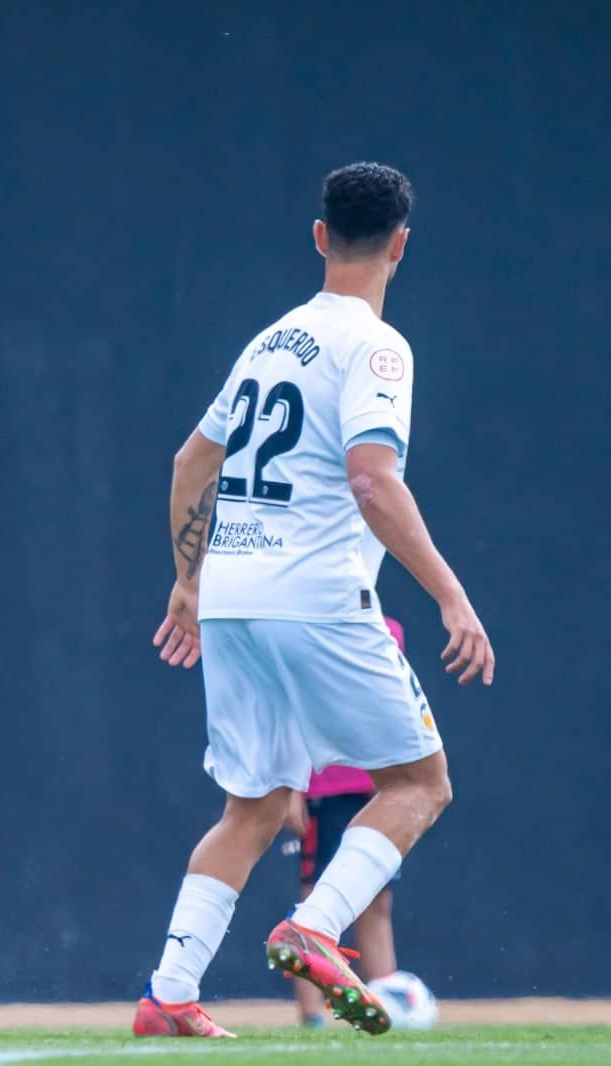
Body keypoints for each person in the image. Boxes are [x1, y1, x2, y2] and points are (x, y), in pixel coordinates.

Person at [135, 162, 495, 1038]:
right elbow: (372, 481)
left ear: (320, 235)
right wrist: (452, 595)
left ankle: (168, 996)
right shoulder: (377, 347)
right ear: (401, 245)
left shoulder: (270, 340)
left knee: (252, 805)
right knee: (418, 782)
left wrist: (188, 582)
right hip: (317, 594)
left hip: (232, 594)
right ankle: (316, 927)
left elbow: (191, 463)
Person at [287, 617, 408, 1027]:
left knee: (377, 900)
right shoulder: (305, 627)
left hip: (375, 788)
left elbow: (394, 711)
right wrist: (291, 787)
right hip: (325, 789)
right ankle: (313, 1016)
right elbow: (292, 708)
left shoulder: (388, 630)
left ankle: (386, 1000)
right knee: (315, 897)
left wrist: (399, 779)